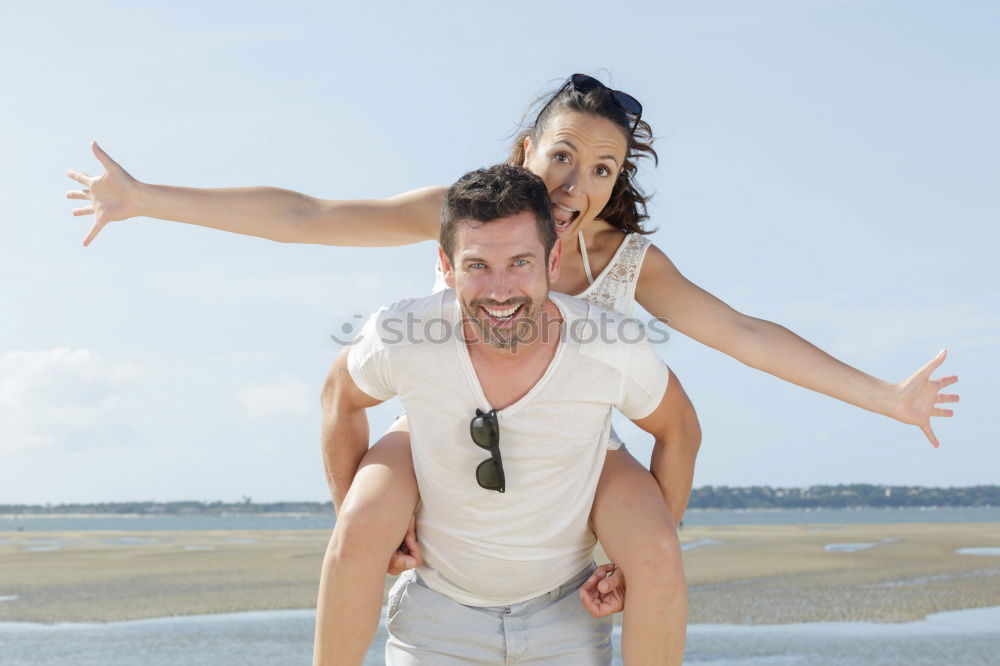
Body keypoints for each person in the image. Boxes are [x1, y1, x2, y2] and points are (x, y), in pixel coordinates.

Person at [66, 72, 959, 659]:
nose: (577, 181)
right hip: (447, 425)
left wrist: (885, 397)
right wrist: (147, 198)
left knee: (649, 538)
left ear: (616, 185)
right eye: (563, 154)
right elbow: (310, 214)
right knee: (370, 507)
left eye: (602, 169)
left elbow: (746, 336)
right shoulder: (469, 212)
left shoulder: (625, 261)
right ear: (526, 150)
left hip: (580, 445)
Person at [316, 163, 698, 664]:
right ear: (446, 266)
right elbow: (340, 398)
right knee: (358, 523)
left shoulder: (609, 346)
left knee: (660, 550)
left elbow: (678, 428)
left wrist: (633, 564)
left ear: (553, 258)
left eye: (520, 262)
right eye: (477, 265)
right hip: (436, 621)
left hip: (566, 619)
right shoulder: (403, 334)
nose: (500, 291)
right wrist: (362, 523)